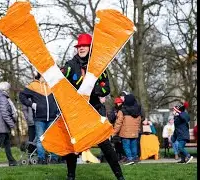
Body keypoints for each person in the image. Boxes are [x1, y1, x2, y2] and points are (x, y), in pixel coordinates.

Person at [60, 33, 124, 180]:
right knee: (73, 145)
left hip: (94, 110)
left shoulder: (99, 66)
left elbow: (106, 88)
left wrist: (91, 90)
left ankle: (120, 177)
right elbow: (62, 77)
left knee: (105, 145)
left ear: (90, 48)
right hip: (77, 112)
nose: (81, 48)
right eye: (79, 46)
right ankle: (71, 177)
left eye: (84, 46)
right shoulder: (71, 65)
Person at [19, 72, 60, 164]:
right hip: (39, 118)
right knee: (40, 139)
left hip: (53, 117)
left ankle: (54, 158)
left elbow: (61, 98)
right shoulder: (33, 85)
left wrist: (58, 110)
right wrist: (31, 104)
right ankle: (41, 159)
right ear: (40, 75)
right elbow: (22, 96)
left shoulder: (52, 85)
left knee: (53, 139)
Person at [114, 94, 142, 165]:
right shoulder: (138, 111)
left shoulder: (122, 110)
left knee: (126, 146)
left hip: (125, 132)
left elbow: (118, 123)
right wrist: (137, 129)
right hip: (134, 132)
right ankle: (135, 158)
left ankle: (129, 159)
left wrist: (114, 132)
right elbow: (139, 122)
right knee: (133, 145)